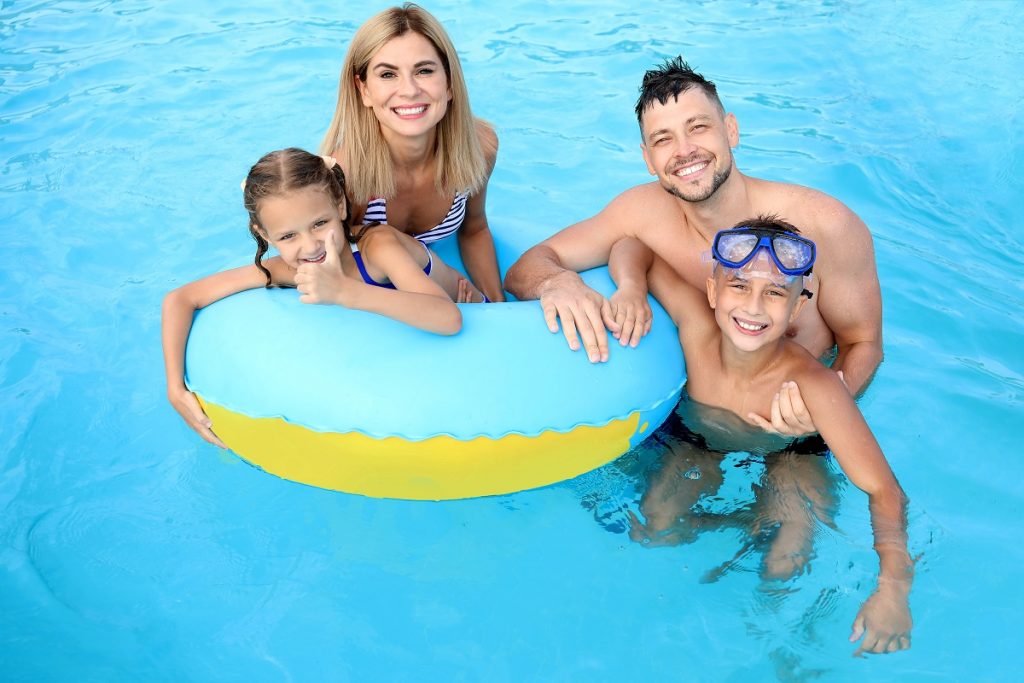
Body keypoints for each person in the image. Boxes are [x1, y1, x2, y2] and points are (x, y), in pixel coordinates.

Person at [504, 57, 881, 436]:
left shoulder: (824, 225)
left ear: (730, 130)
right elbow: (527, 267)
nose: (684, 151)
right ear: (648, 158)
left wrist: (824, 412)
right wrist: (559, 283)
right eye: (663, 139)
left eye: (698, 127)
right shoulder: (639, 213)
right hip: (688, 418)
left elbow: (863, 343)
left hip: (794, 431)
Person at [626, 217, 912, 656]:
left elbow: (884, 490)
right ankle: (748, 522)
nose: (754, 307)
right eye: (739, 286)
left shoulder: (813, 385)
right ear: (712, 291)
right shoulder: (697, 328)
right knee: (654, 528)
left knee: (786, 562)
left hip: (793, 452)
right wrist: (629, 288)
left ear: (797, 309)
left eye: (776, 292)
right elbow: (635, 246)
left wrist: (893, 591)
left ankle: (788, 652)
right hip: (700, 440)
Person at [162, 148, 485, 448]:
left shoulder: (378, 248)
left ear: (340, 207)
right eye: (288, 236)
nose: (310, 246)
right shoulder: (289, 268)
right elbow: (181, 298)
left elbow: (449, 317)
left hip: (479, 318)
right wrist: (175, 389)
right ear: (264, 235)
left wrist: (343, 292)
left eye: (320, 223)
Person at [320, 3, 506, 303]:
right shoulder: (345, 175)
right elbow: (330, 267)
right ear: (363, 89)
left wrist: (499, 306)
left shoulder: (480, 147)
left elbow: (474, 229)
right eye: (388, 75)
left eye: (424, 70)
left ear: (448, 83)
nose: (408, 90)